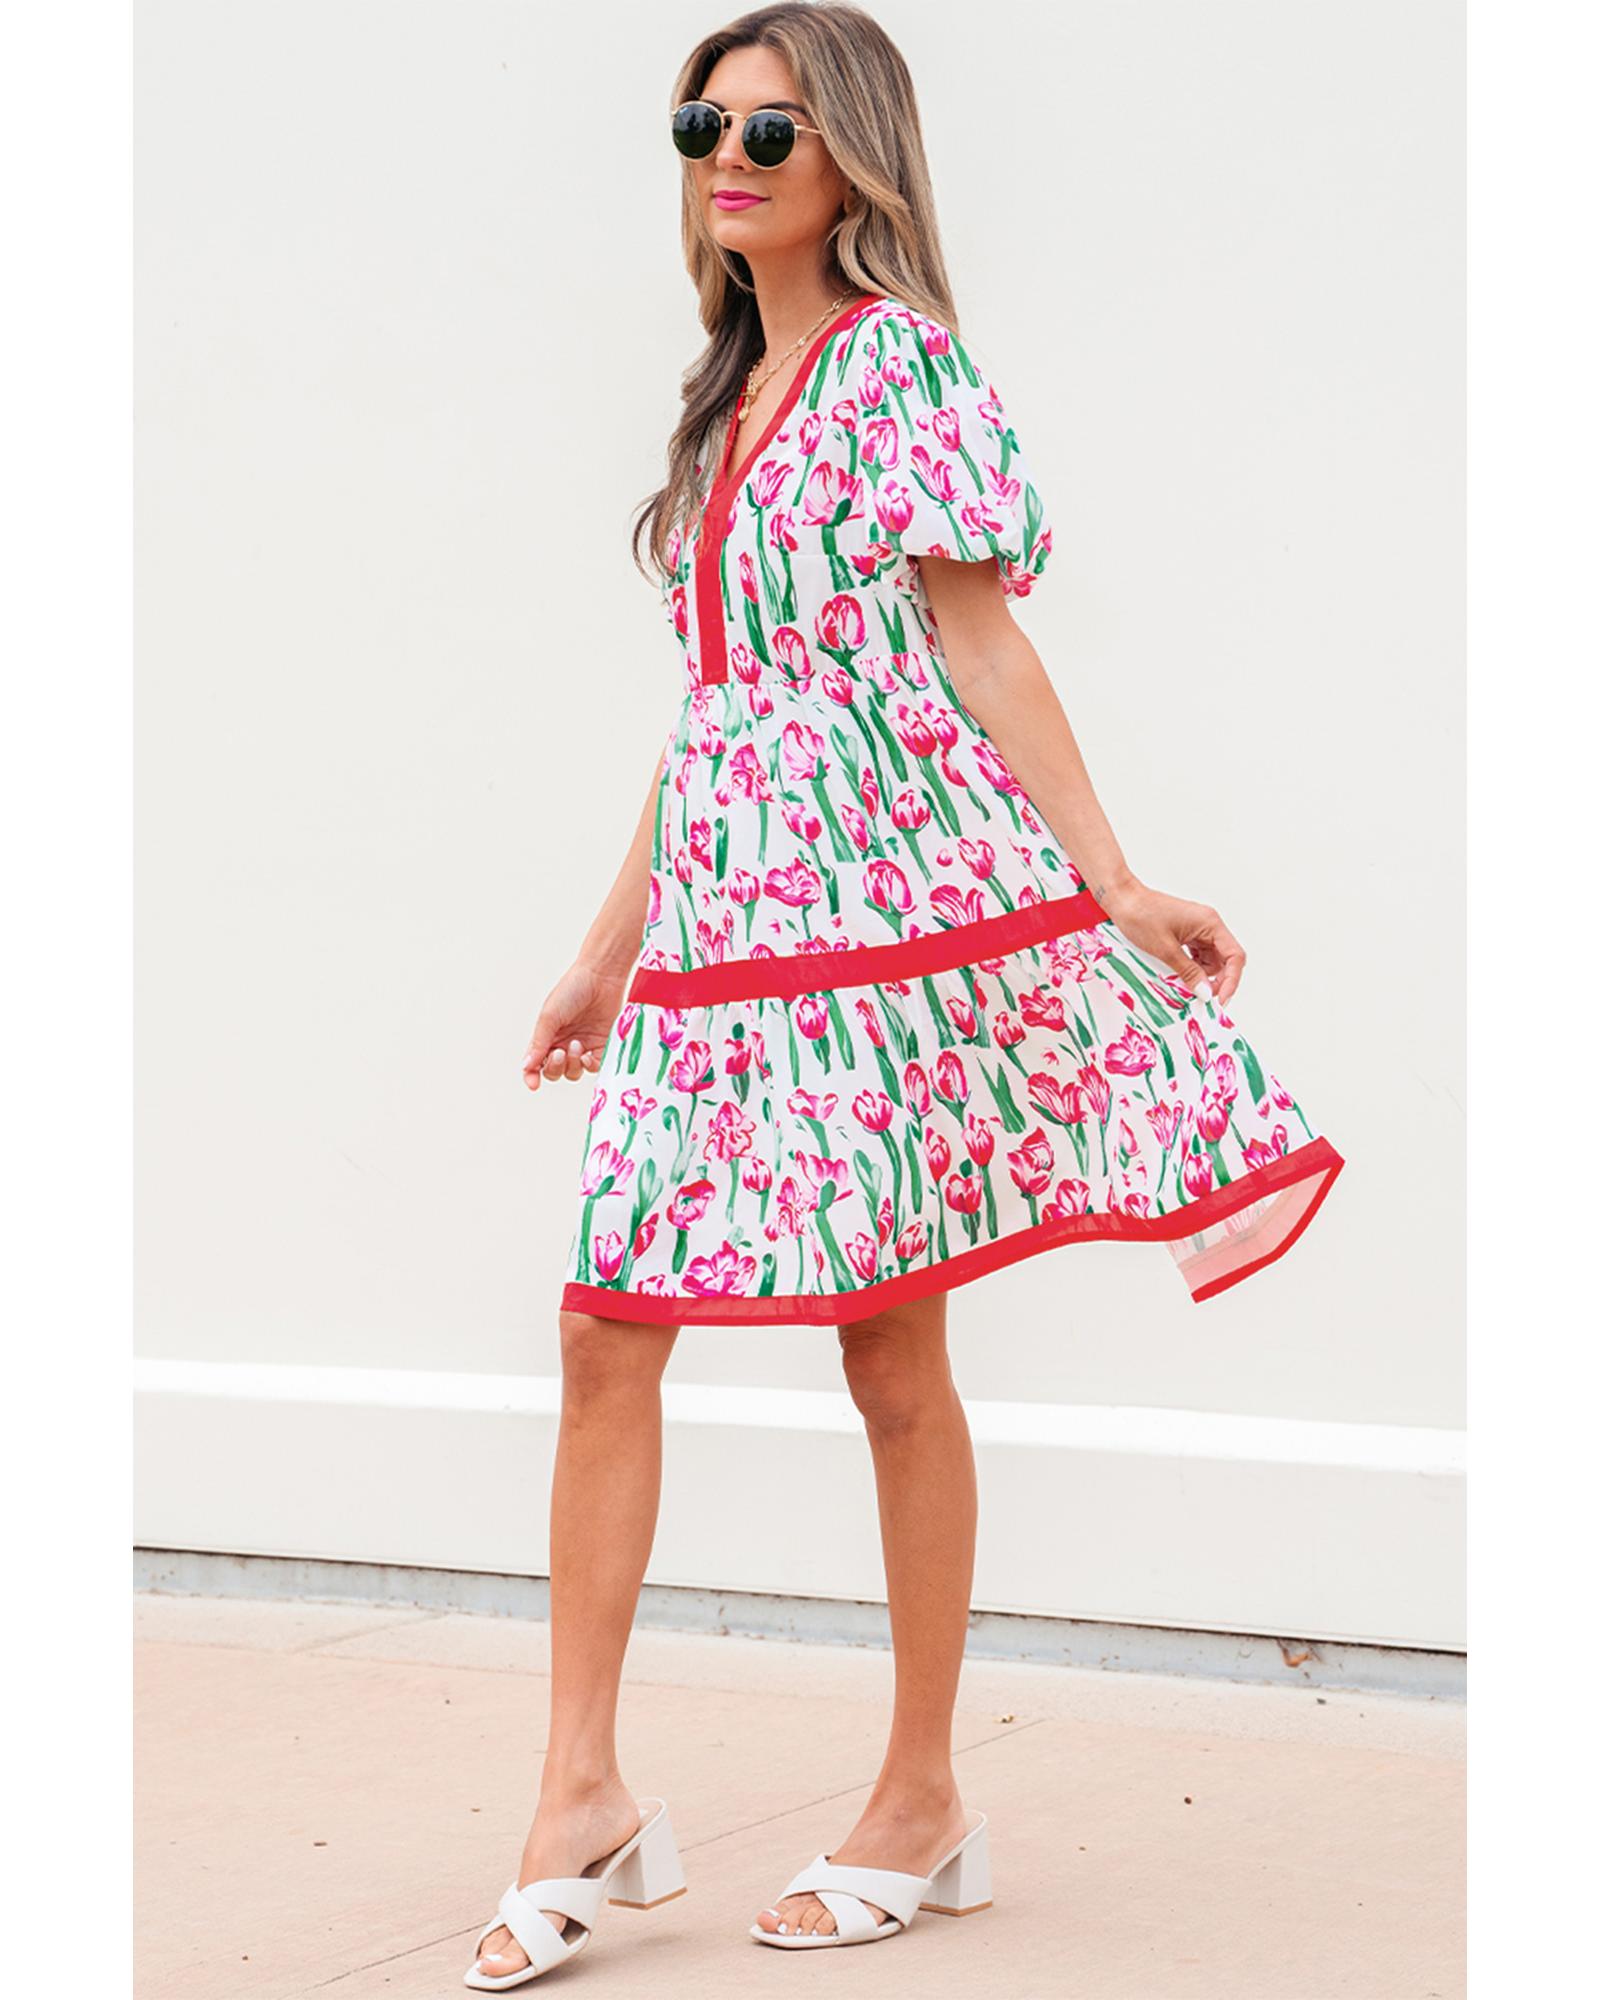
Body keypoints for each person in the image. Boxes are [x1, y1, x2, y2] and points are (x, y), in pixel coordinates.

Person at [470, 2, 1346, 1982]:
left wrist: (1112, 879)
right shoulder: (724, 401)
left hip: (884, 917)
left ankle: (923, 1793)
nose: (727, 156)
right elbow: (720, 713)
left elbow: (980, 642)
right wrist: (605, 951)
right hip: (723, 934)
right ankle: (578, 1787)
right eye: (702, 124)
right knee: (606, 1325)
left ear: (851, 154)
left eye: (769, 130)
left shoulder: (898, 366)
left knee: (887, 1355)